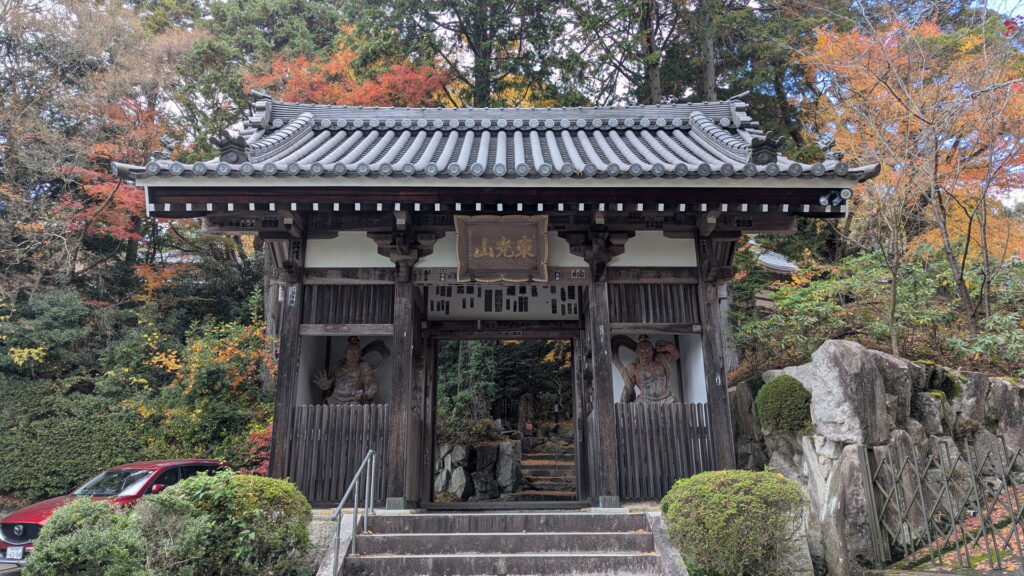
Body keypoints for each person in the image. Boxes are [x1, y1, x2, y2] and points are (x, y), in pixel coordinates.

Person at [614, 334, 680, 404]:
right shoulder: (634, 368)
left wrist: (666, 346)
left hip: (665, 398)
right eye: (641, 351)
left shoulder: (661, 361)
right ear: (636, 352)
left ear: (653, 351)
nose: (645, 354)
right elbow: (628, 388)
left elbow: (676, 355)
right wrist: (622, 403)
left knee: (677, 405)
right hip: (645, 400)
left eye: (648, 350)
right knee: (634, 409)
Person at [313, 337, 379, 405]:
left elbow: (372, 386)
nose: (353, 355)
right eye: (350, 352)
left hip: (354, 401)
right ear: (345, 352)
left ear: (360, 353)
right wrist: (326, 386)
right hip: (334, 400)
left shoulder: (364, 367)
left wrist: (363, 395)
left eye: (356, 353)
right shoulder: (336, 367)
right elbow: (330, 386)